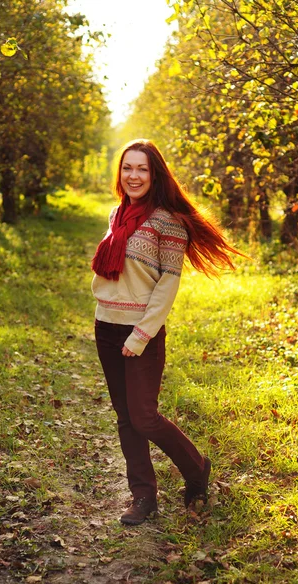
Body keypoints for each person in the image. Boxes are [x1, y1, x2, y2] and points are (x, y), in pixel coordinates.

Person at [91, 139, 243, 526]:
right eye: (127, 168)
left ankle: (196, 469)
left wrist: (141, 334)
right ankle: (143, 496)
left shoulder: (168, 221)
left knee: (143, 417)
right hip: (106, 325)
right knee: (125, 416)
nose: (133, 176)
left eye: (142, 169)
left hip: (140, 331)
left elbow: (167, 284)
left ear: (154, 173)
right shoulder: (116, 214)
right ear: (120, 173)